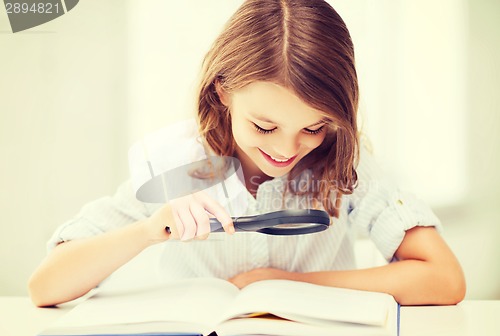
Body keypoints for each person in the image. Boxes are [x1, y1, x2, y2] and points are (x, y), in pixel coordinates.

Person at [28, 0, 465, 307]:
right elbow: (45, 286)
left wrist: (290, 285)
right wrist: (149, 230)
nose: (285, 148)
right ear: (223, 91)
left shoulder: (345, 166)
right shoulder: (179, 162)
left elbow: (444, 278)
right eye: (264, 126)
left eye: (313, 127)